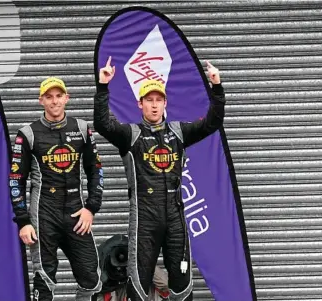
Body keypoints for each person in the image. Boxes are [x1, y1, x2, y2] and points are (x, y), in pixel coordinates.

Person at [93, 56, 226, 301]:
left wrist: (216, 87)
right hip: (145, 219)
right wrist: (103, 87)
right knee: (139, 283)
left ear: (165, 103)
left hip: (175, 217)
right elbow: (103, 124)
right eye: (149, 100)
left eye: (158, 100)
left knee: (182, 279)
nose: (154, 106)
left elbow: (212, 123)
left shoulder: (178, 131)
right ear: (139, 104)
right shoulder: (130, 135)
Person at [10, 77, 104, 301]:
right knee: (44, 280)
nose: (54, 101)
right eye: (49, 97)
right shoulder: (28, 134)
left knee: (92, 279)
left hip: (75, 213)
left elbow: (96, 170)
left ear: (67, 98)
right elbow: (16, 179)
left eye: (59, 96)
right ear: (41, 100)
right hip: (44, 214)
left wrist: (91, 208)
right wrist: (23, 221)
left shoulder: (81, 129)